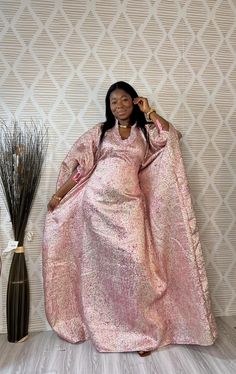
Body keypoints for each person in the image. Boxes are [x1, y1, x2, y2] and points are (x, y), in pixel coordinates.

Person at [43, 81, 217, 356]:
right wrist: (59, 195)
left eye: (125, 99)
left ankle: (142, 332)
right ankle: (107, 327)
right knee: (101, 273)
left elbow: (172, 137)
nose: (119, 105)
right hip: (97, 206)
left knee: (137, 268)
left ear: (135, 102)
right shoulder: (100, 133)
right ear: (108, 107)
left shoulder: (146, 133)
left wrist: (151, 112)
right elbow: (80, 169)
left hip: (130, 206)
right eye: (113, 101)